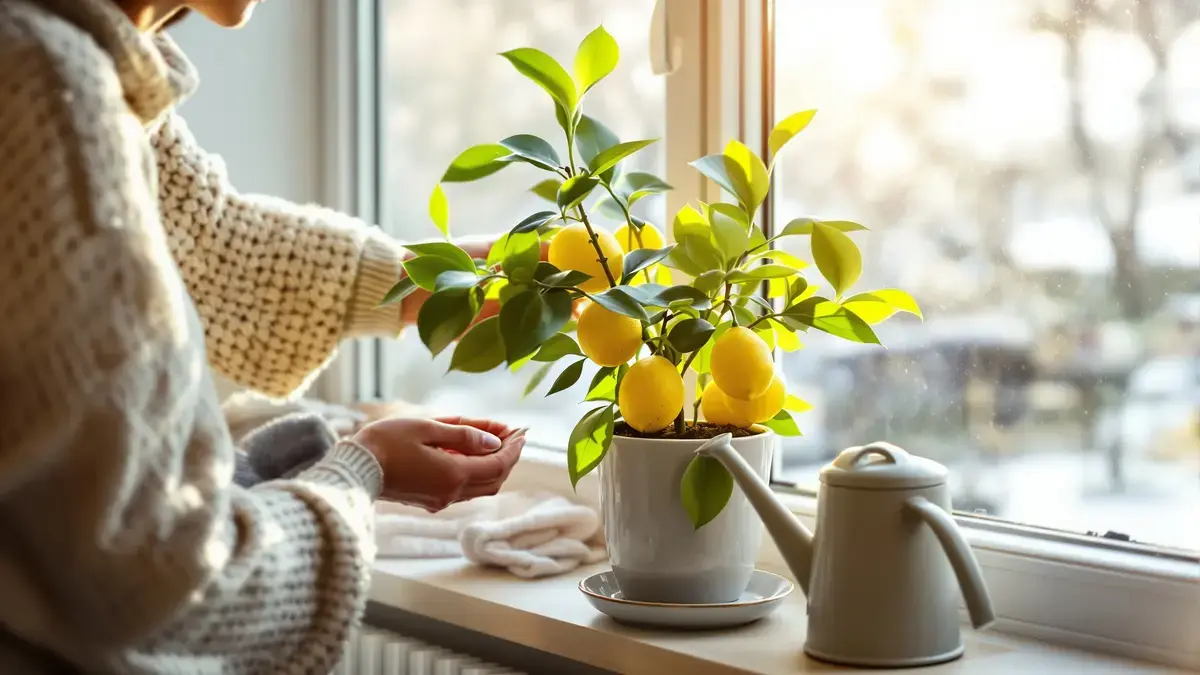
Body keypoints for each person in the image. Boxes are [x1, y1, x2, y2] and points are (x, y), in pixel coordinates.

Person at [0, 0, 529, 672]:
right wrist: (363, 468)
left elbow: (209, 243)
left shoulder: (77, 63)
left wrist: (463, 282)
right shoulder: (46, 85)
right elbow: (160, 576)